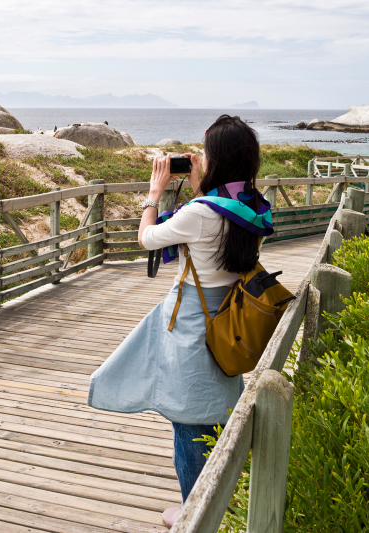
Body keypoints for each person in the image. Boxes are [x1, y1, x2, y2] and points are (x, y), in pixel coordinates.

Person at [87, 115, 273, 529]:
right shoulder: (250, 206)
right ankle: (212, 503)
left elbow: (148, 239)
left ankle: (196, 513)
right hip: (230, 317)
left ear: (218, 159)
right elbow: (213, 221)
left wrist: (153, 194)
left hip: (193, 322)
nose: (200, 158)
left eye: (206, 152)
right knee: (213, 413)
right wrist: (199, 190)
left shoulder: (202, 212)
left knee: (189, 421)